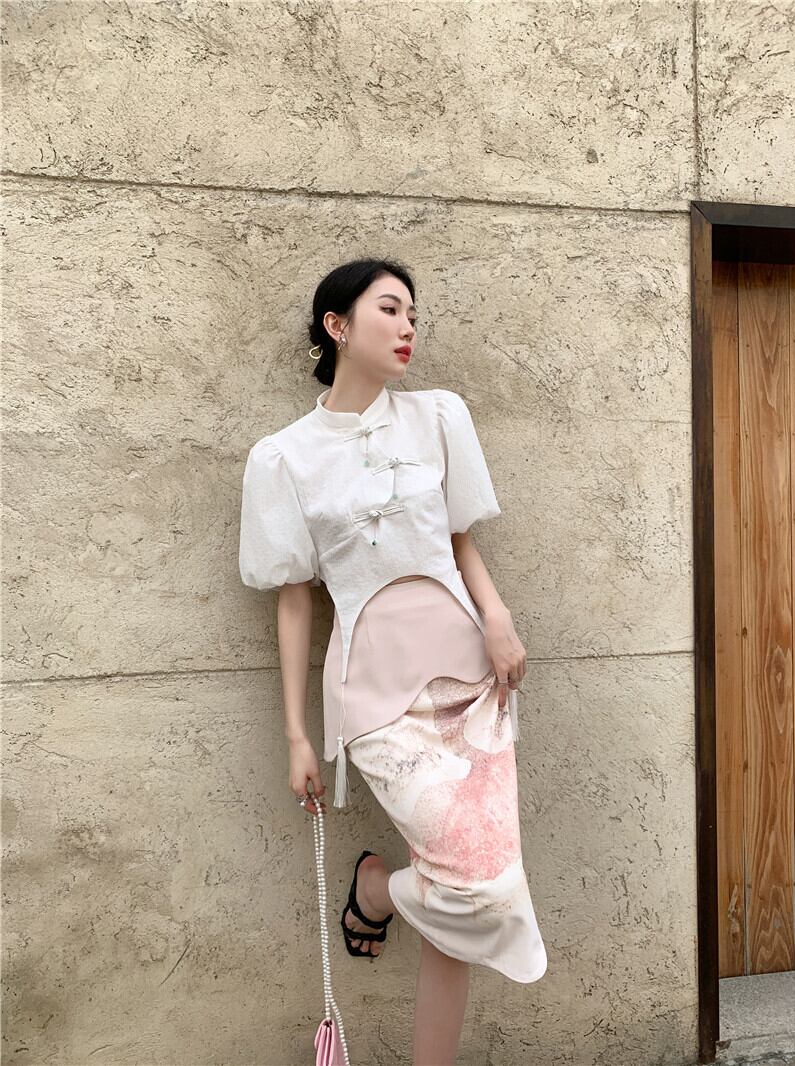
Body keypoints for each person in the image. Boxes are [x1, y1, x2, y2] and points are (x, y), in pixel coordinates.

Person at [238, 257, 547, 1065]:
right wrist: (298, 735)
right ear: (337, 326)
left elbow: (459, 540)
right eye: (390, 309)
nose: (408, 326)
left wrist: (499, 617)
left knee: (474, 893)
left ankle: (378, 893)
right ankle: (375, 886)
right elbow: (295, 598)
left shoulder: (440, 416)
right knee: (465, 888)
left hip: (472, 681)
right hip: (376, 698)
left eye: (413, 313)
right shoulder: (284, 457)